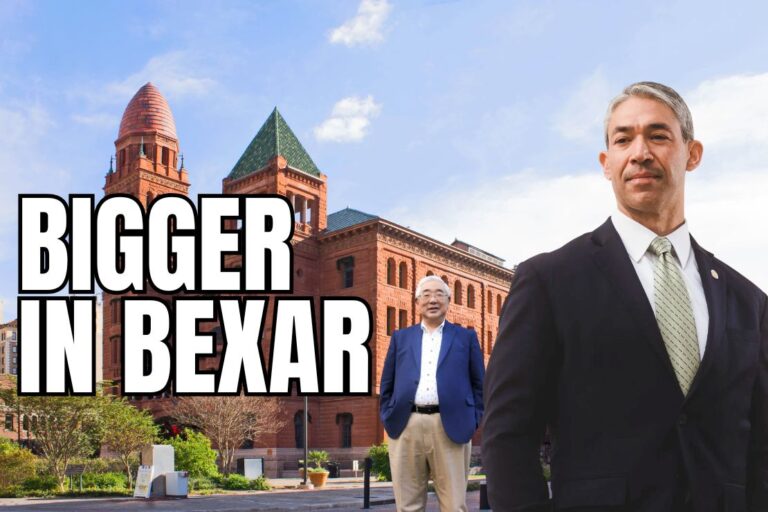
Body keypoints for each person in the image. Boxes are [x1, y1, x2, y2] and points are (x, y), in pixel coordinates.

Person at [483, 82, 768, 512]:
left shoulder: (749, 301)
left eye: (657, 135)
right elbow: (508, 437)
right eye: (623, 139)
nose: (639, 152)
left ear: (692, 154)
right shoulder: (548, 281)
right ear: (606, 163)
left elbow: (760, 443)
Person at [380, 275, 485, 512]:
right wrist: (387, 414)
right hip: (406, 425)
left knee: (454, 506)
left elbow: (481, 385)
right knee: (408, 506)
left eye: (439, 294)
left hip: (451, 427)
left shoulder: (465, 337)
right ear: (417, 303)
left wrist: (473, 419)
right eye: (426, 295)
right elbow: (387, 382)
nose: (432, 300)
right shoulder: (401, 337)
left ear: (448, 301)